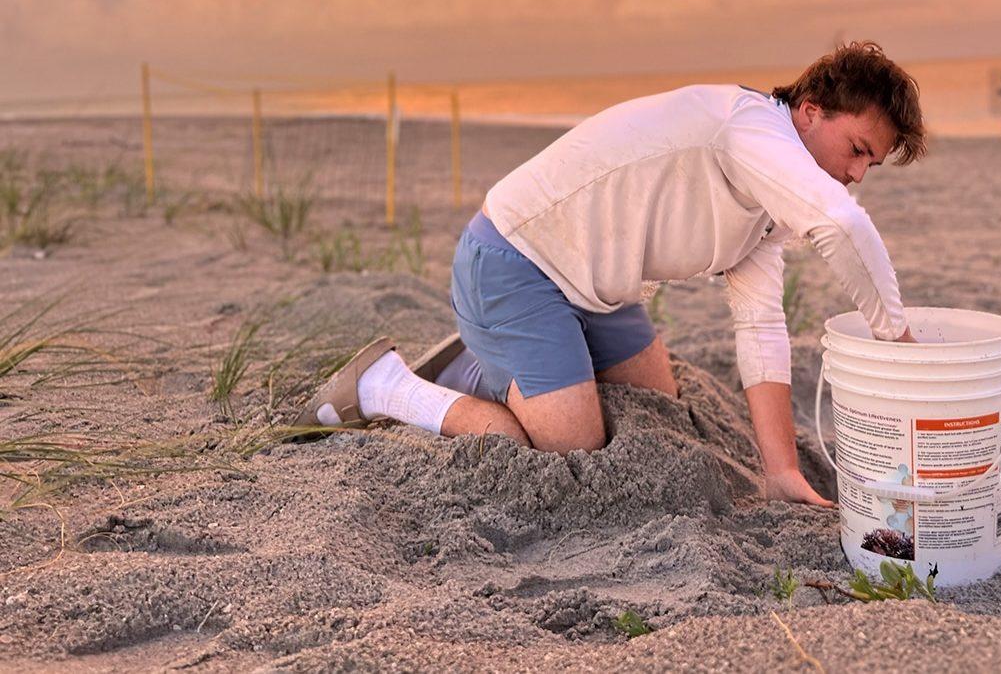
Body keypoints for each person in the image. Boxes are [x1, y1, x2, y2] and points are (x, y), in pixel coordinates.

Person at [295, 41, 927, 506]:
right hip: (515, 263)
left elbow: (761, 325)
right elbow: (843, 225)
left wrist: (782, 469)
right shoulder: (749, 130)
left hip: (598, 289)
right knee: (570, 449)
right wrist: (897, 341)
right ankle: (388, 387)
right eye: (858, 150)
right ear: (810, 111)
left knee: (657, 405)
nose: (858, 174)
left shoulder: (767, 205)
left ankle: (490, 362)